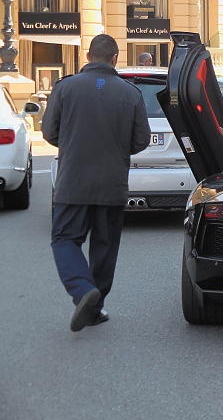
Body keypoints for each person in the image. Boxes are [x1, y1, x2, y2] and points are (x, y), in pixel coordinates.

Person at [42, 34, 151, 332]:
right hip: (112, 184)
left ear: (88, 57)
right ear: (115, 58)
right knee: (105, 246)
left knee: (64, 239)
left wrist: (74, 144)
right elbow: (141, 139)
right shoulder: (130, 94)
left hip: (72, 183)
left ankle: (82, 291)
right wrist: (114, 149)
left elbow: (50, 133)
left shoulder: (65, 88)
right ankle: (96, 304)